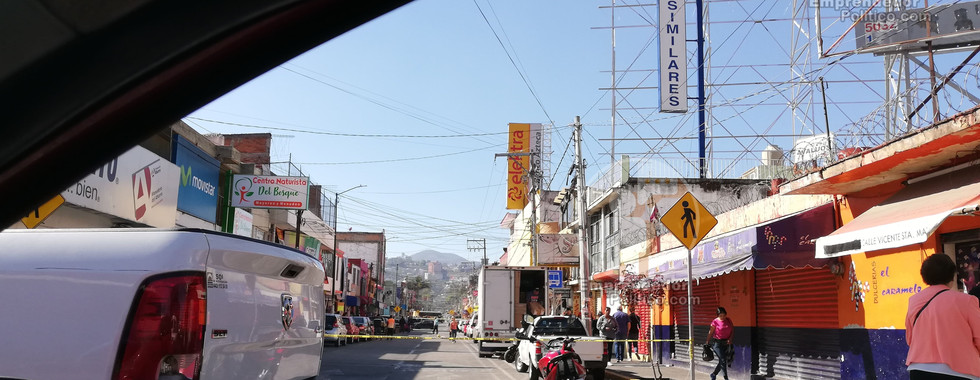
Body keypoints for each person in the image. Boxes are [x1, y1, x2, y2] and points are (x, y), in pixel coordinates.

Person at [906, 253, 980, 380]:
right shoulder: (967, 301)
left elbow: (910, 338)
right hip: (960, 371)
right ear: (952, 275)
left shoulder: (914, 301)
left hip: (919, 369)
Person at [705, 307, 734, 380]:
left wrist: (730, 339)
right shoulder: (715, 322)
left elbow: (732, 330)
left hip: (726, 343)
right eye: (720, 316)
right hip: (717, 344)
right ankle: (726, 378)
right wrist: (707, 341)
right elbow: (710, 332)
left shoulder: (728, 320)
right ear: (717, 315)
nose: (723, 317)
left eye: (724, 315)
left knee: (723, 360)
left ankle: (714, 374)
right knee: (723, 360)